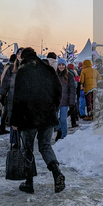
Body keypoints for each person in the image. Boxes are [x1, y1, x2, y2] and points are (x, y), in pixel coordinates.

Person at [11, 47, 65, 194]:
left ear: (25, 58)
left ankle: (29, 183)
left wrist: (14, 120)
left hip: (28, 117)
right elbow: (59, 91)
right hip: (47, 115)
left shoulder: (23, 71)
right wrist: (53, 108)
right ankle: (57, 172)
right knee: (45, 146)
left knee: (27, 149)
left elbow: (18, 98)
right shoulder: (48, 70)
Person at [0, 49, 23, 143]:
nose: (20, 55)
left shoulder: (27, 67)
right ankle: (14, 143)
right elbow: (6, 82)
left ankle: (24, 144)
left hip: (24, 99)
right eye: (18, 54)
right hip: (12, 98)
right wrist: (2, 94)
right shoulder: (12, 68)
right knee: (13, 120)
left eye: (22, 54)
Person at [55, 58, 76, 141]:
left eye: (62, 65)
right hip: (56, 101)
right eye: (59, 65)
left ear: (65, 66)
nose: (61, 66)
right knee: (54, 119)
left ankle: (64, 136)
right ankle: (59, 129)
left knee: (63, 119)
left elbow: (72, 89)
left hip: (65, 101)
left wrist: (71, 102)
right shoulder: (54, 75)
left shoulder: (69, 76)